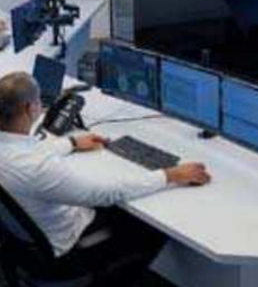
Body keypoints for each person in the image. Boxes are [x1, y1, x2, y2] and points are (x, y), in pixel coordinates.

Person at [0, 72, 211, 281]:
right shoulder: (39, 168)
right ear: (30, 109)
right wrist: (170, 174)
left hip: (24, 246)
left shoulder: (17, 153)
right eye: (39, 101)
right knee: (154, 225)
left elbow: (28, 153)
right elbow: (103, 194)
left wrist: (71, 143)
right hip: (67, 252)